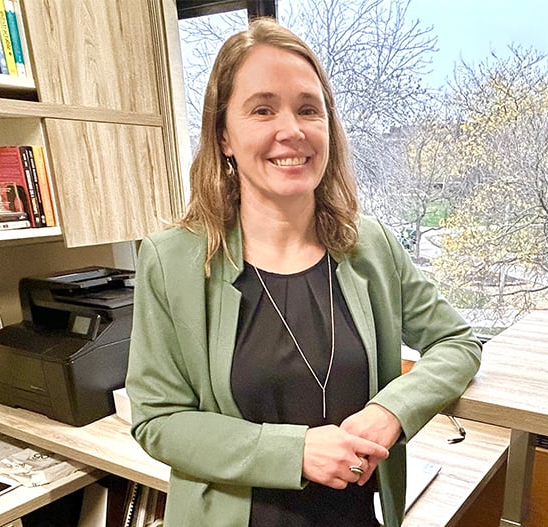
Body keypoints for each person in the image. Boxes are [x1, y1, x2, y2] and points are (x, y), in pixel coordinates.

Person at [125, 18, 481, 527]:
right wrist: (293, 451)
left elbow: (458, 343)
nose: (291, 130)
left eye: (308, 109)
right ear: (224, 136)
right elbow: (158, 421)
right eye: (263, 109)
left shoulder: (371, 246)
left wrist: (392, 412)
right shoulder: (171, 261)